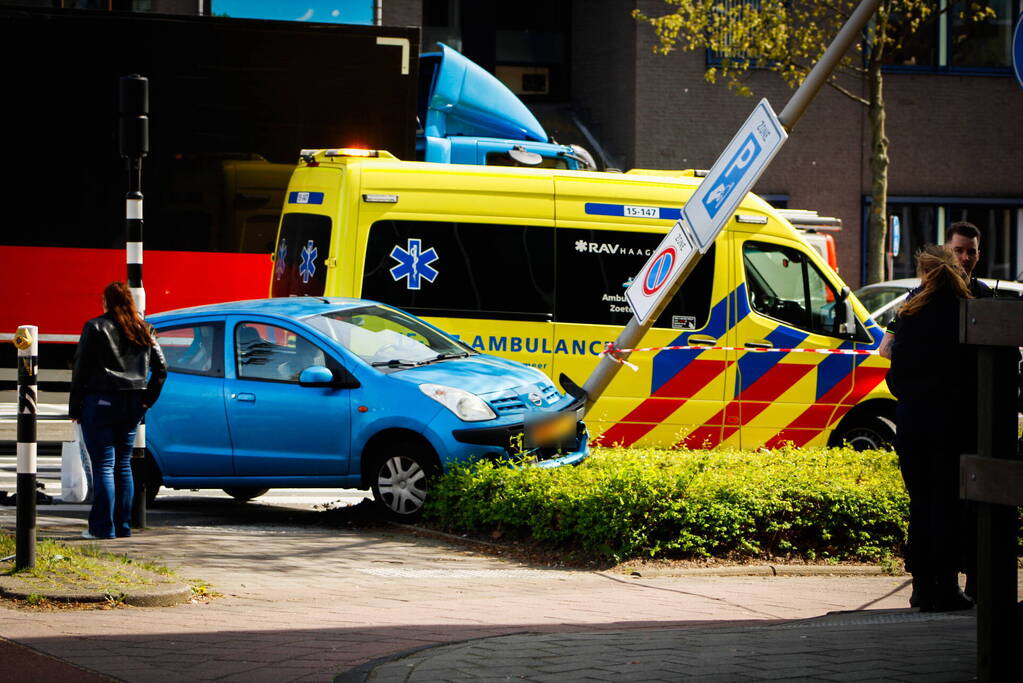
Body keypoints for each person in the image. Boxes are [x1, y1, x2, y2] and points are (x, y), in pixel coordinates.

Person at [886, 245, 975, 612]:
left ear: (925, 272)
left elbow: (895, 369)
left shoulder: (911, 311)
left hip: (913, 423)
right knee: (948, 506)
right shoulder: (964, 310)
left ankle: (922, 587)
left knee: (921, 504)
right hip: (950, 424)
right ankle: (947, 586)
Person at [69, 281, 167, 540]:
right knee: (123, 465)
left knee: (103, 465)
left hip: (100, 402)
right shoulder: (145, 329)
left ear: (106, 302)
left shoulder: (95, 327)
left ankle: (102, 528)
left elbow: (80, 369)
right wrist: (147, 400)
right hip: (133, 403)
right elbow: (161, 369)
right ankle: (123, 526)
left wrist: (75, 405)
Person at [879, 221, 989, 359]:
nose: (965, 258)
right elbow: (885, 348)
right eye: (958, 250)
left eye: (971, 252)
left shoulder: (984, 293)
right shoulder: (919, 296)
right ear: (947, 251)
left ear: (978, 255)